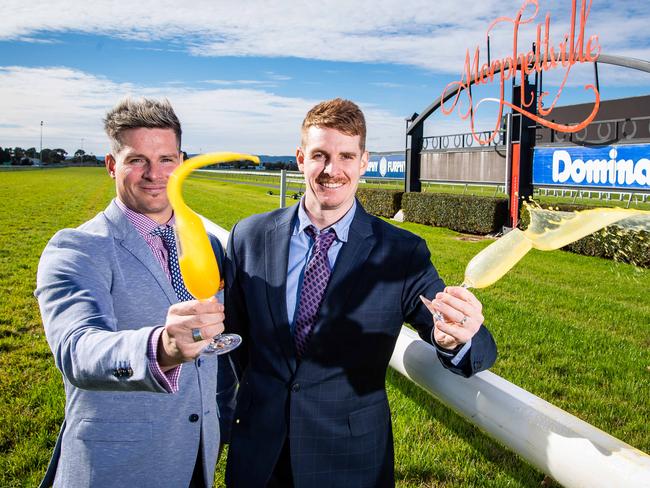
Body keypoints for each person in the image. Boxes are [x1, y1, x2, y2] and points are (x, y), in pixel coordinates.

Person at [224, 98, 498, 487]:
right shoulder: (248, 237)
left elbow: (472, 344)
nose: (332, 170)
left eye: (346, 156)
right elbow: (233, 339)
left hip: (348, 460)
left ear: (363, 161)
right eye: (320, 155)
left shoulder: (401, 253)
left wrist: (458, 337)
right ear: (301, 158)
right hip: (259, 452)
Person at [35, 97, 236, 488]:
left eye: (165, 159)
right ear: (112, 165)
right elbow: (77, 350)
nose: (154, 174)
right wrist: (162, 346)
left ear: (181, 161)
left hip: (198, 456)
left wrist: (222, 417)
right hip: (118, 464)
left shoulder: (208, 243)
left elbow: (216, 348)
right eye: (137, 160)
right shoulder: (76, 248)